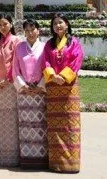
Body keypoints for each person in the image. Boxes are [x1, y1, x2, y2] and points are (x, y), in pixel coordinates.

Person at [41, 13, 84, 173]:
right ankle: (56, 163)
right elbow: (45, 60)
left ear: (67, 25)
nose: (58, 26)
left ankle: (71, 163)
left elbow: (77, 60)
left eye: (60, 23)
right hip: (53, 86)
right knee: (54, 126)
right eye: (55, 24)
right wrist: (53, 75)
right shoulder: (49, 45)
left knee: (69, 125)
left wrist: (64, 76)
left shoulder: (74, 43)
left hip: (68, 87)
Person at [13, 19, 48, 169]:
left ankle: (41, 159)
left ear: (38, 31)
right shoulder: (19, 48)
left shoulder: (45, 47)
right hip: (25, 92)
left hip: (40, 91)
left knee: (41, 125)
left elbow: (48, 67)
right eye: (27, 30)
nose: (30, 33)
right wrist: (23, 86)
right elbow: (15, 69)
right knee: (26, 126)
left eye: (33, 30)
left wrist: (41, 85)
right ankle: (27, 159)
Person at [0, 13, 21, 167]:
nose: (2, 27)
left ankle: (12, 156)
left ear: (11, 24)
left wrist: (8, 79)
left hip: (10, 86)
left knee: (11, 118)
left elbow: (15, 62)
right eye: (0, 24)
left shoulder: (16, 41)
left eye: (5, 24)